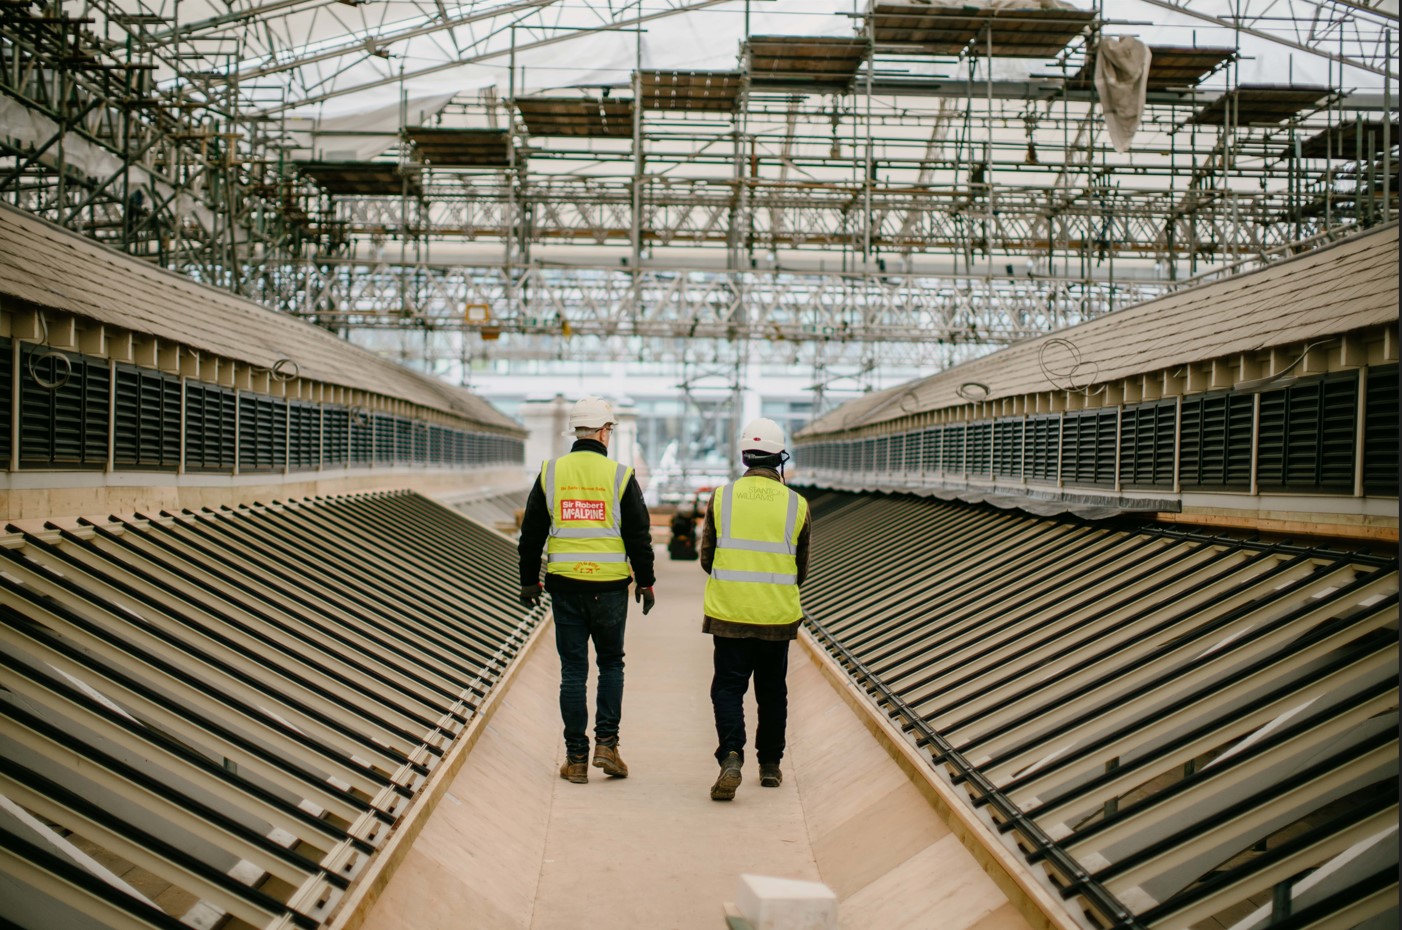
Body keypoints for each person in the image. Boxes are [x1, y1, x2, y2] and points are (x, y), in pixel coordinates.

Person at [518, 396, 656, 784]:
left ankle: (576, 758)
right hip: (610, 588)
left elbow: (531, 534)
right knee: (611, 663)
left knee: (573, 670)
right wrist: (645, 582)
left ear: (576, 433)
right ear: (603, 432)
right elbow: (639, 536)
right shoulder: (620, 476)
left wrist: (529, 580)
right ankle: (607, 746)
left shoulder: (550, 473)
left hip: (565, 587)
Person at [698, 418, 811, 801]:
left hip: (728, 614)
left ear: (744, 455)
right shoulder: (797, 504)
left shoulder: (721, 497)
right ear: (780, 456)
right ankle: (771, 766)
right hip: (775, 618)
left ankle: (731, 756)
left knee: (728, 688)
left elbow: (707, 558)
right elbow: (802, 568)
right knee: (772, 690)